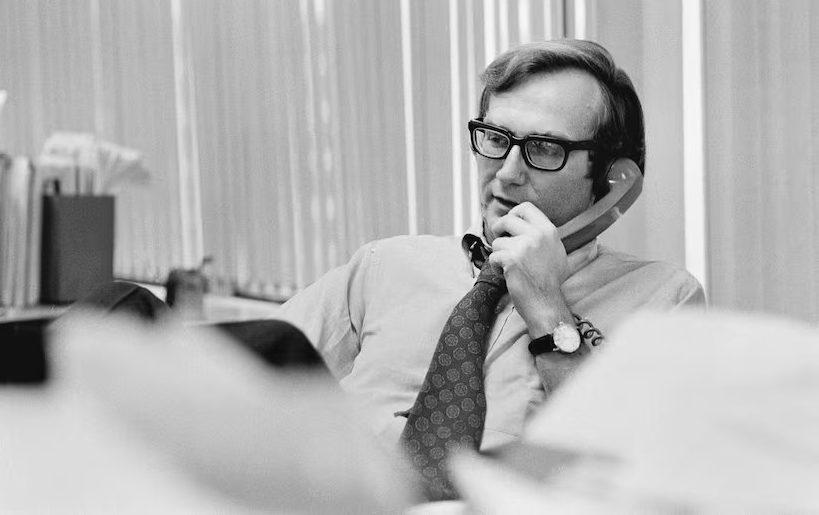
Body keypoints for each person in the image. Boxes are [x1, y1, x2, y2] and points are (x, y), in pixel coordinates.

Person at [275, 38, 704, 497]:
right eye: (496, 140)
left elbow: (639, 477)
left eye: (544, 148)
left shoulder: (663, 300)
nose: (507, 172)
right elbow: (240, 376)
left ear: (609, 177)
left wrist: (548, 309)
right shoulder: (382, 267)